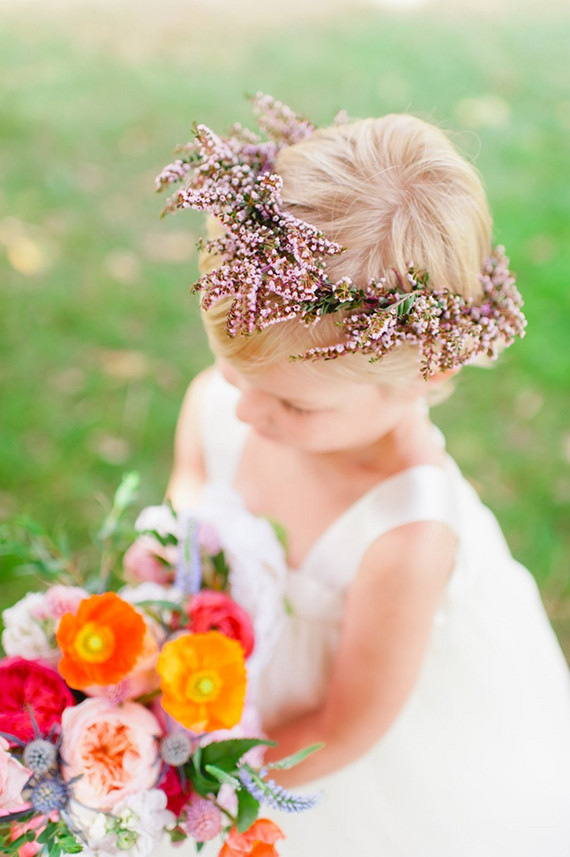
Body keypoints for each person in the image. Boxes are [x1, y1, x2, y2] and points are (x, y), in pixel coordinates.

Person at [157, 95, 570, 856]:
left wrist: (186, 783)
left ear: (426, 373)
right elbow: (184, 500)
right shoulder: (225, 404)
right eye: (227, 369)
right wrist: (157, 586)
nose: (245, 413)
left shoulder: (405, 536)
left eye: (289, 403)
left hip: (308, 746)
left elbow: (343, 728)